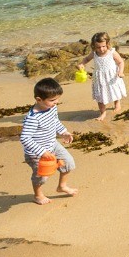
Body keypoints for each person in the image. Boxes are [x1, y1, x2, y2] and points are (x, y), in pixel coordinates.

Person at [20, 77, 77, 205]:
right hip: (36, 153)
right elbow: (24, 138)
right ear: (39, 99)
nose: (56, 102)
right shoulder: (32, 118)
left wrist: (64, 132)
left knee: (68, 163)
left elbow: (55, 121)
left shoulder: (51, 108)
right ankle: (38, 195)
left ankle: (62, 186)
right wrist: (42, 152)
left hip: (52, 144)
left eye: (57, 99)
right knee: (42, 176)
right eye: (52, 100)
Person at [77, 32, 126, 121]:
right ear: (94, 46)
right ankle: (103, 112)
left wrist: (121, 72)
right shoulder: (94, 53)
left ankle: (117, 103)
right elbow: (86, 59)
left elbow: (121, 62)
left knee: (115, 91)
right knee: (100, 96)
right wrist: (82, 64)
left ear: (107, 44)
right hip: (99, 78)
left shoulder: (112, 53)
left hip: (111, 77)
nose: (101, 49)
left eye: (103, 46)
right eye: (98, 47)